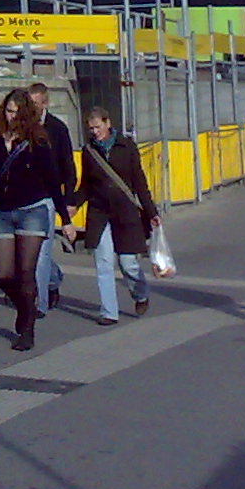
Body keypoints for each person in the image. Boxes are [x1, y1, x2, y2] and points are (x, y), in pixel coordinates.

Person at [0, 86, 65, 351]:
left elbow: (52, 180)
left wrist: (65, 218)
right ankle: (26, 307)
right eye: (9, 111)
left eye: (17, 113)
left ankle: (27, 330)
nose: (12, 117)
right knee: (3, 273)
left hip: (32, 210)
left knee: (25, 272)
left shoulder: (38, 140)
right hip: (1, 211)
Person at [68, 106, 157, 325]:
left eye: (97, 127)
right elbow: (86, 185)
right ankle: (109, 312)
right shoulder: (89, 151)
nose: (94, 132)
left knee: (128, 264)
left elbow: (139, 182)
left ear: (108, 123)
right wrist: (74, 204)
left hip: (125, 213)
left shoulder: (126, 147)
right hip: (99, 212)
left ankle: (140, 294)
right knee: (104, 262)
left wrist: (151, 212)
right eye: (91, 129)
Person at [26, 82, 77, 316]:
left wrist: (69, 200)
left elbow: (68, 166)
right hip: (24, 196)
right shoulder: (22, 127)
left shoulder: (57, 128)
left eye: (35, 104)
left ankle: (40, 302)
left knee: (41, 252)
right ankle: (51, 278)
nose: (32, 108)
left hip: (49, 196)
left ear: (45, 103)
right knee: (26, 252)